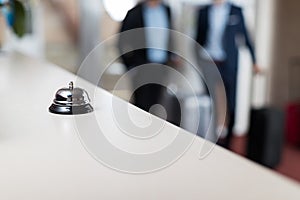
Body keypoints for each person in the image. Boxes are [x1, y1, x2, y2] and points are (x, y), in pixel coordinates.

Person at [195, 0, 261, 148]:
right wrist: (198, 61)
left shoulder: (236, 11)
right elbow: (197, 39)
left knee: (231, 103)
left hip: (229, 64)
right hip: (210, 62)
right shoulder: (203, 12)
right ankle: (211, 137)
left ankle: (229, 141)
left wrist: (255, 61)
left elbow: (246, 38)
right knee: (211, 101)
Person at [118, 0, 180, 125]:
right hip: (142, 67)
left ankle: (150, 138)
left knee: (156, 105)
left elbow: (169, 35)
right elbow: (121, 41)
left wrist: (172, 55)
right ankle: (137, 136)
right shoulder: (135, 13)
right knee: (141, 107)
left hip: (162, 66)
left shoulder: (167, 10)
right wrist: (130, 66)